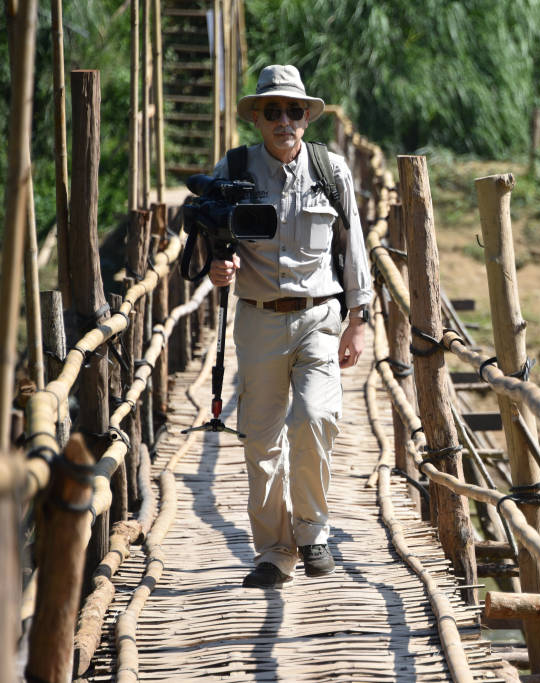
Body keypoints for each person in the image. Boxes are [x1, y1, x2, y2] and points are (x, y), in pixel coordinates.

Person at [208, 64, 372, 589]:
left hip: (321, 317)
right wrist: (217, 263)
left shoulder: (332, 169)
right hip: (258, 321)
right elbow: (200, 234)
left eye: (293, 110)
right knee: (261, 441)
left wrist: (359, 320)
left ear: (306, 116)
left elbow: (356, 248)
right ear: (256, 117)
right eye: (272, 111)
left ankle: (312, 531)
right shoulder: (232, 169)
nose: (284, 120)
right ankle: (274, 551)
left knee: (316, 416)